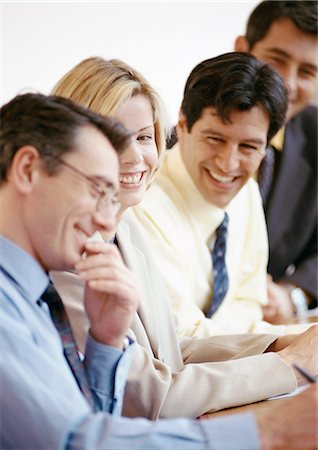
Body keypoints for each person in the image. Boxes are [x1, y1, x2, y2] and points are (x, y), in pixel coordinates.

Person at [2, 93, 317, 450]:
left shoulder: (32, 296)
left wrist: (106, 344)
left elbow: (94, 418)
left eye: (144, 136)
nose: (107, 220)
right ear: (28, 169)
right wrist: (270, 431)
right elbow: (73, 441)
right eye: (97, 190)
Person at [134, 49, 315, 338]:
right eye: (215, 139)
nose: (228, 164)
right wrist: (296, 340)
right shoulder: (143, 205)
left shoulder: (246, 192)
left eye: (248, 147)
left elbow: (248, 304)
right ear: (182, 125)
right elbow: (181, 333)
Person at [234, 0, 318, 324]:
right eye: (276, 61)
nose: (288, 83)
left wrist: (292, 294)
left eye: (307, 72)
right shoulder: (189, 134)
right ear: (243, 49)